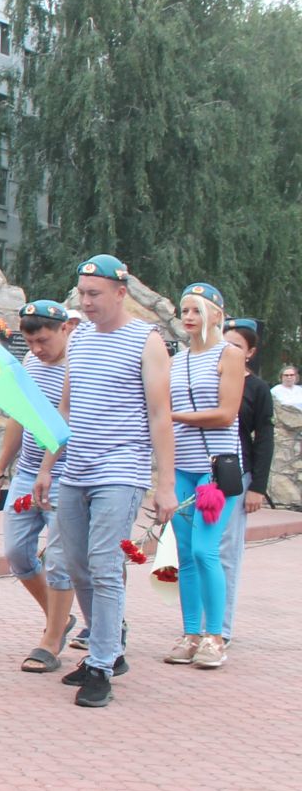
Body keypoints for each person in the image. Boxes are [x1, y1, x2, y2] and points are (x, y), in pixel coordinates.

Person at [33, 254, 177, 708]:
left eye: (94, 294)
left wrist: (166, 485)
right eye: (82, 294)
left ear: (120, 292)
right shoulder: (78, 340)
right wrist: (46, 466)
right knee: (74, 563)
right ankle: (108, 647)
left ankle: (101, 663)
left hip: (122, 469)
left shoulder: (147, 341)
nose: (86, 302)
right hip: (75, 469)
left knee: (103, 564)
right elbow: (67, 409)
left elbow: (160, 416)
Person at [0, 300, 75, 672]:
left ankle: (51, 640)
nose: (38, 349)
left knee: (60, 561)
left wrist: (47, 470)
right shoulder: (30, 364)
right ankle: (60, 616)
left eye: (43, 340)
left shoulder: (79, 365)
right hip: (26, 474)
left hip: (67, 476)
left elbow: (66, 423)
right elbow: (19, 418)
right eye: (31, 342)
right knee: (17, 553)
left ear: (65, 330)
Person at [162, 284, 245, 669]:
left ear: (216, 314)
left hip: (216, 469)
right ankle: (191, 632)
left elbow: (226, 414)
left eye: (196, 309)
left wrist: (173, 418)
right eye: (184, 310)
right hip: (182, 466)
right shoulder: (175, 360)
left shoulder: (230, 354)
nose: (189, 317)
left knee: (205, 549)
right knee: (184, 554)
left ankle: (216, 636)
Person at [220, 318, 271, 649]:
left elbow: (264, 438)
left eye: (236, 346)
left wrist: (257, 487)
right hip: (201, 472)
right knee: (196, 552)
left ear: (249, 353)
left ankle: (220, 626)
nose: (228, 352)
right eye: (224, 345)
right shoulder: (208, 379)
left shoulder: (257, 388)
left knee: (226, 550)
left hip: (238, 475)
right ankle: (193, 622)